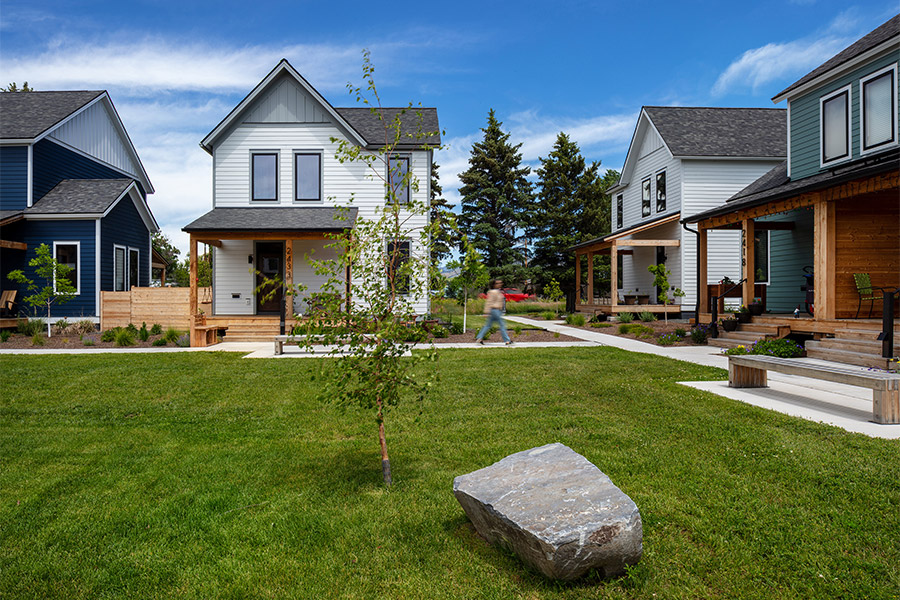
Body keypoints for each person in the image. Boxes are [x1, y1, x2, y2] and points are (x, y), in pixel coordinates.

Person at [476, 279, 512, 345]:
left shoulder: (497, 291)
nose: (500, 284)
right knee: (502, 325)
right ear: (494, 284)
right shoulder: (493, 292)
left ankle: (479, 338)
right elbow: (489, 302)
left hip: (496, 310)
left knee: (488, 325)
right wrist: (486, 312)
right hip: (495, 310)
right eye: (498, 283)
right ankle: (507, 340)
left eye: (500, 283)